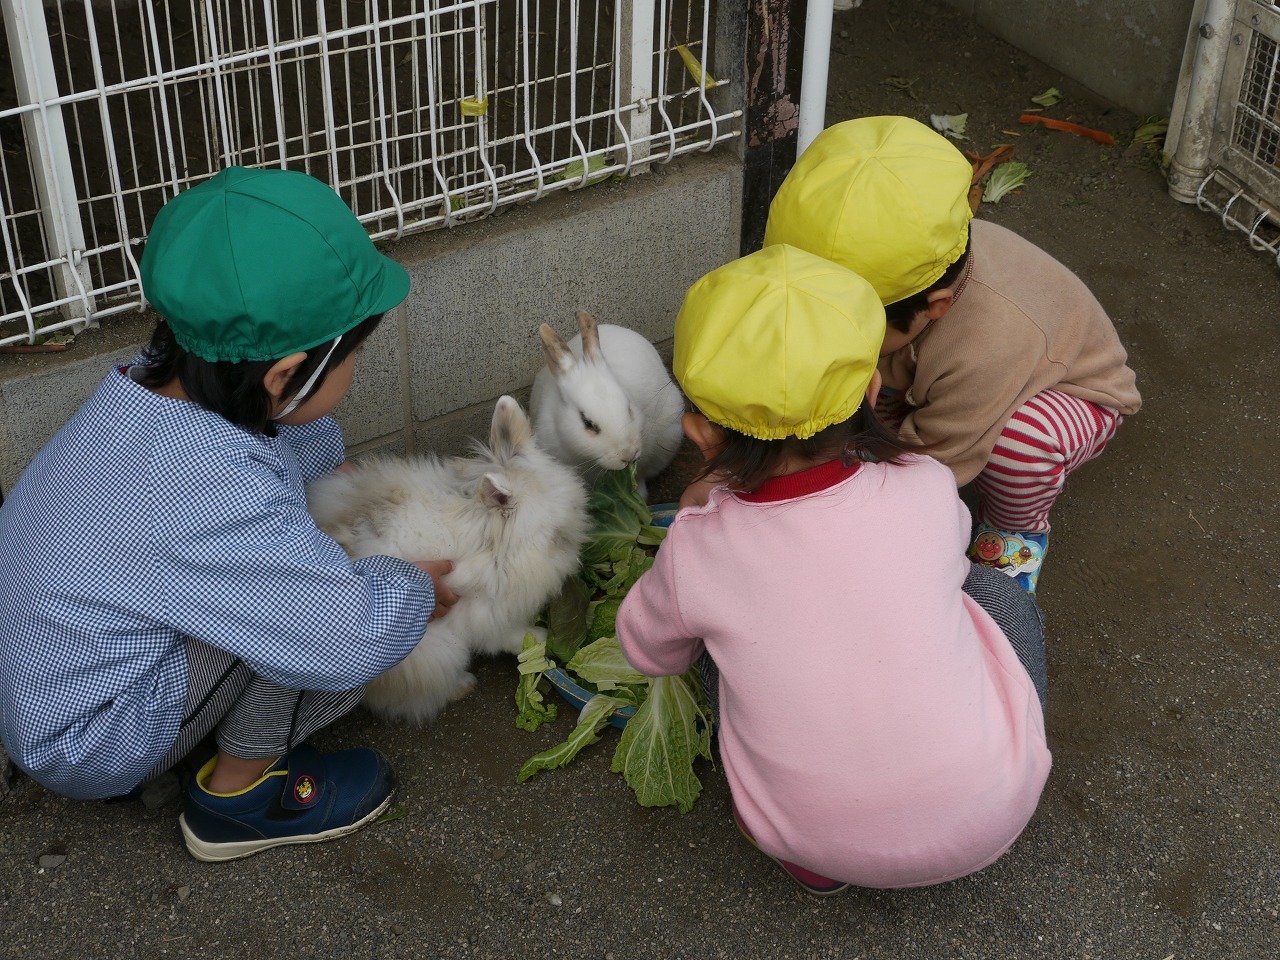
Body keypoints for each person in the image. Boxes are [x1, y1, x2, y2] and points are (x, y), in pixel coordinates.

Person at [0, 166, 458, 862]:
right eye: (355, 354)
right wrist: (416, 591)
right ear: (284, 375)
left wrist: (332, 480)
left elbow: (279, 435)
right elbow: (343, 633)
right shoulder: (209, 488)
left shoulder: (151, 387)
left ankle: (191, 731)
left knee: (287, 568)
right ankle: (239, 800)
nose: (357, 366)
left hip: (45, 685)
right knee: (310, 605)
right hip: (84, 738)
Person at [616, 244, 1051, 894]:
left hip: (809, 841)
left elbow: (648, 652)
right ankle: (974, 759)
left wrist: (693, 518)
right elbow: (950, 561)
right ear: (872, 390)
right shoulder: (926, 485)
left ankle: (816, 863)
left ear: (700, 435)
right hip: (997, 812)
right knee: (990, 590)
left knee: (710, 640)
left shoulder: (699, 547)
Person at [763, 115, 1142, 592]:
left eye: (855, 327)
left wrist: (858, 513)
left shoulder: (985, 346)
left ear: (934, 308)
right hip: (935, 361)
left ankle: (1014, 532)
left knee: (1019, 445)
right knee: (866, 400)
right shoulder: (921, 260)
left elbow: (935, 463)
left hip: (1067, 389)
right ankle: (867, 444)